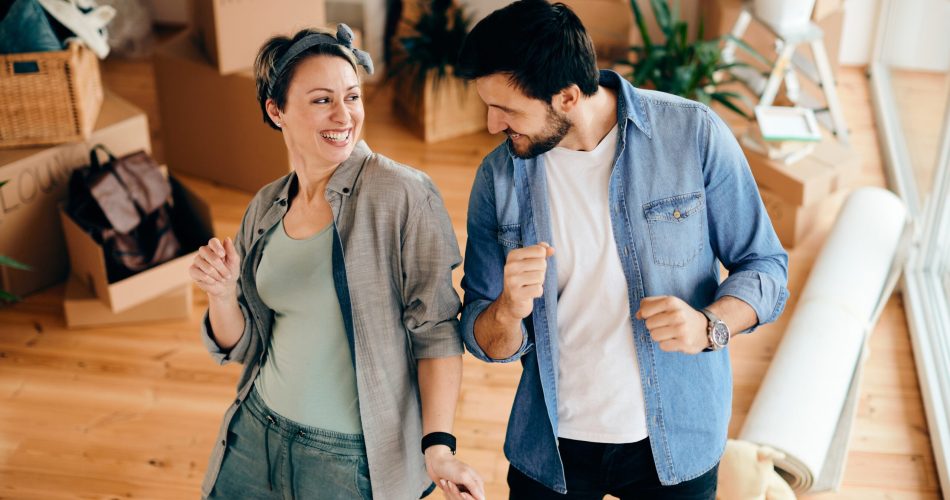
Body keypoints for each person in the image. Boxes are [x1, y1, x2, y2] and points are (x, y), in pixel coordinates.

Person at [455, 2, 790, 498]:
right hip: (551, 449)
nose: (491, 124)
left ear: (568, 96)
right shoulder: (498, 178)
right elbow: (482, 335)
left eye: (506, 109)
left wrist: (709, 325)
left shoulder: (691, 135)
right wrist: (507, 310)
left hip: (675, 441)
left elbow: (766, 267)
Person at [190, 24, 485, 500]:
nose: (344, 114)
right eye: (322, 100)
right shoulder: (266, 207)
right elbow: (240, 345)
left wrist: (439, 447)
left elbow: (435, 328)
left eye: (352, 96)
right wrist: (221, 294)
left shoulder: (403, 194)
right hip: (255, 431)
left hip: (347, 460)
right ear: (276, 110)